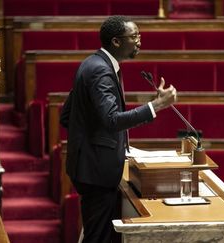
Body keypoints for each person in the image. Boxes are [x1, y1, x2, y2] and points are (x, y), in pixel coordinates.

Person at [60, 15, 177, 243]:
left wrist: (95, 143)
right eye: (134, 36)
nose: (139, 41)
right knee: (99, 237)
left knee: (102, 234)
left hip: (91, 167)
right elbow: (112, 120)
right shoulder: (100, 71)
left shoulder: (93, 64)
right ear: (116, 41)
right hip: (96, 173)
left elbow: (67, 116)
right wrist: (156, 106)